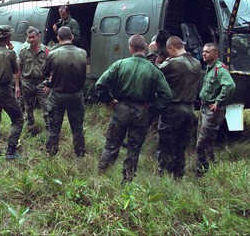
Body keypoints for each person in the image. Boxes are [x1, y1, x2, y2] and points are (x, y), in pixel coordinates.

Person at [96, 34, 172, 184]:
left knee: (111, 144)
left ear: (130, 48)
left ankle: (100, 175)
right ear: (144, 47)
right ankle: (127, 181)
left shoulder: (119, 64)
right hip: (141, 112)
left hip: (121, 109)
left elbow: (100, 85)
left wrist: (110, 100)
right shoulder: (154, 70)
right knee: (134, 148)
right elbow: (166, 95)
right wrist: (152, 110)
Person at [156, 36, 202, 178]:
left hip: (173, 109)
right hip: (189, 109)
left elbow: (155, 72)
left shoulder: (173, 64)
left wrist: (153, 53)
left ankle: (164, 175)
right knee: (181, 145)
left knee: (166, 144)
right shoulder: (197, 63)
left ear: (171, 48)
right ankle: (178, 175)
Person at [42, 26, 87, 157]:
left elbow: (45, 72)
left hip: (57, 95)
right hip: (76, 95)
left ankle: (51, 153)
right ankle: (80, 154)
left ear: (58, 38)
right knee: (78, 128)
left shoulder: (53, 54)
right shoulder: (83, 53)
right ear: (72, 37)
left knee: (54, 128)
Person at [196, 42, 236, 177]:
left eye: (207, 52)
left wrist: (218, 103)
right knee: (206, 140)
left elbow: (230, 85)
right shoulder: (210, 68)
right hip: (204, 107)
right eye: (203, 52)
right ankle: (211, 166)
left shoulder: (220, 69)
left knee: (202, 142)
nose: (204, 54)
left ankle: (202, 171)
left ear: (216, 54)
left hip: (211, 110)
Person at [0, 25, 24, 159]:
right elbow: (15, 70)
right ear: (8, 37)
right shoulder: (10, 53)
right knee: (18, 119)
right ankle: (11, 151)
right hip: (4, 90)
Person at [17, 26, 50, 136]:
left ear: (38, 36)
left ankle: (50, 130)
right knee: (28, 108)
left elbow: (52, 68)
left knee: (47, 108)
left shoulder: (46, 51)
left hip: (42, 83)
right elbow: (18, 69)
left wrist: (49, 83)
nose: (31, 40)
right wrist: (17, 85)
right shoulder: (23, 51)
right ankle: (30, 129)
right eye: (29, 37)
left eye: (33, 37)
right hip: (27, 83)